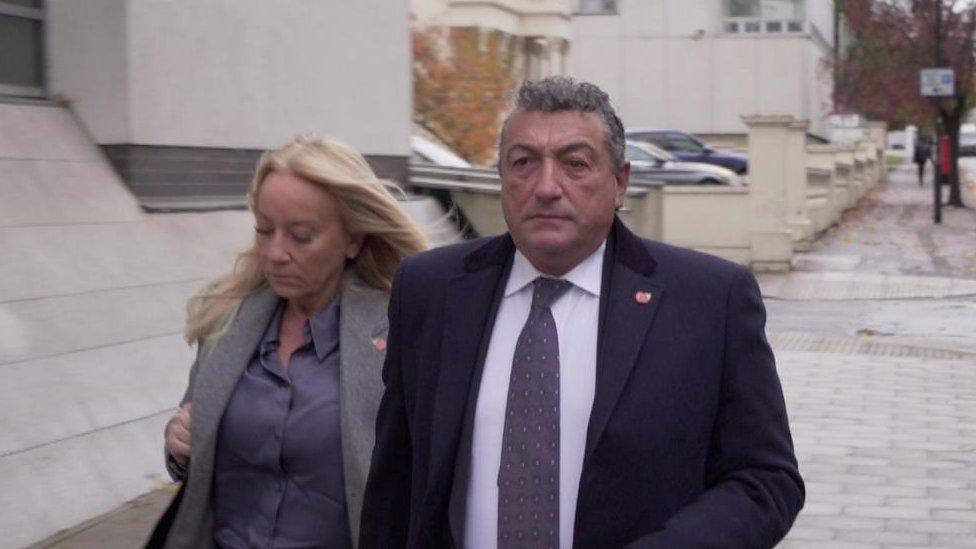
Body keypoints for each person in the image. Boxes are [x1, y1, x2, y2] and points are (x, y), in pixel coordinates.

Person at [360, 77, 804, 548]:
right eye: (523, 163)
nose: (546, 187)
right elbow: (394, 483)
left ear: (620, 182)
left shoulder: (710, 300)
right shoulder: (431, 291)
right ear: (502, 179)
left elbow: (766, 480)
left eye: (575, 164)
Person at [159, 136, 426, 548]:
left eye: (301, 236)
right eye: (265, 230)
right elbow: (192, 447)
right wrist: (179, 444)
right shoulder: (228, 318)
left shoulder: (400, 335)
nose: (276, 253)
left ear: (353, 240)